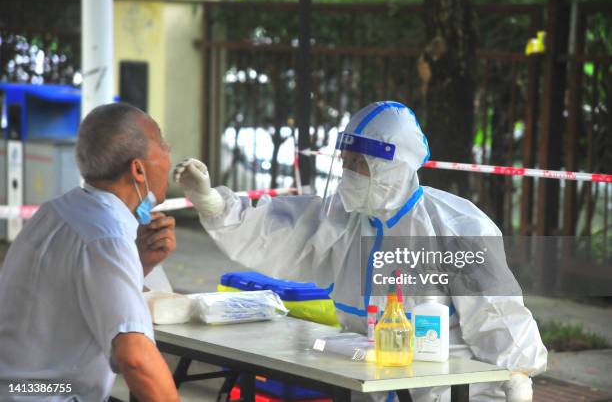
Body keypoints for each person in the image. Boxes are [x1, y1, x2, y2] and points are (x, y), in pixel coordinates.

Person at [174, 101, 547, 402]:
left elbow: (498, 317)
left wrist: (517, 376)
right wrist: (211, 203)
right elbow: (278, 230)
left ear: (393, 168)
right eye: (346, 161)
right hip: (367, 383)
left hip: (449, 392)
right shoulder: (344, 217)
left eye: (361, 164)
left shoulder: (455, 228)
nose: (348, 172)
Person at [0, 103, 180, 402]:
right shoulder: (107, 236)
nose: (168, 151)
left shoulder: (56, 211)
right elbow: (135, 358)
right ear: (138, 169)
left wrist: (140, 262)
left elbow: (73, 297)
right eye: (161, 142)